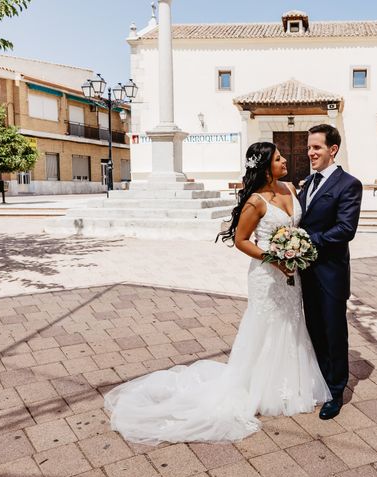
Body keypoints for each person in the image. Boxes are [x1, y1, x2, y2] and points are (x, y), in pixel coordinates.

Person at [104, 142, 330, 445]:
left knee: (291, 323)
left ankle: (289, 383)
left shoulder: (290, 187)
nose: (285, 160)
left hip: (293, 275)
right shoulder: (255, 201)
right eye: (278, 158)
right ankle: (258, 386)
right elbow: (241, 240)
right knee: (265, 326)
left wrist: (295, 251)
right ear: (265, 167)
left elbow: (297, 227)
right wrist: (275, 259)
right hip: (267, 275)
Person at [298, 124, 363, 420]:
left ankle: (335, 391)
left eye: (316, 148)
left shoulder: (348, 184)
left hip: (330, 274)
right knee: (314, 330)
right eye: (309, 148)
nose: (310, 153)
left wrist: (307, 242)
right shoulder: (306, 184)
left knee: (334, 333)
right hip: (306, 273)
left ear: (332, 150)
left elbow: (346, 229)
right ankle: (320, 382)